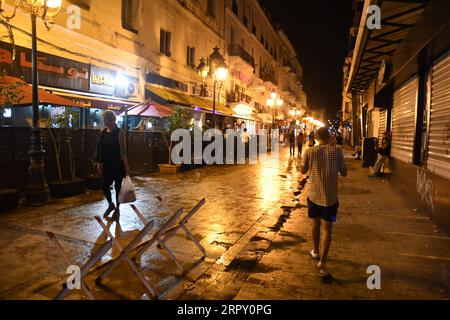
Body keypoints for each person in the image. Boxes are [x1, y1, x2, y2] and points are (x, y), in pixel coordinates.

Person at [301, 127, 347, 278]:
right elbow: (344, 172)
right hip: (331, 200)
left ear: (316, 136)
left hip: (314, 197)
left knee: (315, 224)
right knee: (328, 229)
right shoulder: (337, 151)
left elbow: (303, 170)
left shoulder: (309, 151)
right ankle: (323, 262)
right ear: (330, 136)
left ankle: (315, 251)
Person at [96, 110, 130, 221]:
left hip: (117, 163)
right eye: (104, 119)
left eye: (107, 119)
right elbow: (100, 149)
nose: (105, 121)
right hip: (106, 163)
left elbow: (123, 151)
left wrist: (126, 167)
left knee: (118, 187)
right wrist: (99, 163)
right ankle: (111, 204)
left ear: (113, 119)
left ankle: (117, 209)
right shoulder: (103, 133)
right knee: (104, 185)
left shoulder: (120, 132)